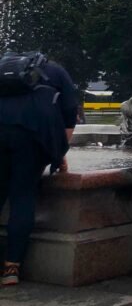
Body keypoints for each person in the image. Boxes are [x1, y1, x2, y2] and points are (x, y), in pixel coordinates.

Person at [0, 55, 79, 285]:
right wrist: (59, 155)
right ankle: (11, 269)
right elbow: (69, 114)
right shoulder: (57, 71)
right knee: (22, 196)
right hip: (30, 137)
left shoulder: (5, 71)